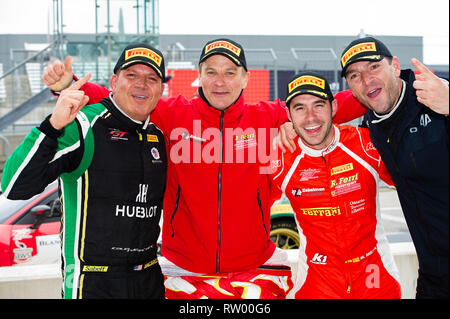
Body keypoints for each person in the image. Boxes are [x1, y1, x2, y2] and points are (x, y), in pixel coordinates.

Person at [1, 43, 168, 299]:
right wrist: (53, 126)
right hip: (94, 283)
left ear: (161, 89)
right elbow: (13, 186)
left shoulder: (158, 134)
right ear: (114, 81)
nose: (141, 84)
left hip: (149, 280)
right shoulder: (84, 124)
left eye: (151, 78)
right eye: (131, 75)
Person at [270, 71, 401, 298]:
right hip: (316, 282)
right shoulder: (280, 157)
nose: (310, 117)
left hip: (377, 277)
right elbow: (245, 208)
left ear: (333, 108)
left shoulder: (366, 143)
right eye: (299, 108)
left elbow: (419, 184)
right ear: (288, 115)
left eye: (319, 105)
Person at [339, 37, 449, 299]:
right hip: (434, 274)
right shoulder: (370, 128)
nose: (366, 80)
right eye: (355, 75)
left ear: (395, 66)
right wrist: (289, 124)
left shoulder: (435, 96)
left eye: (374, 67)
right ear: (351, 89)